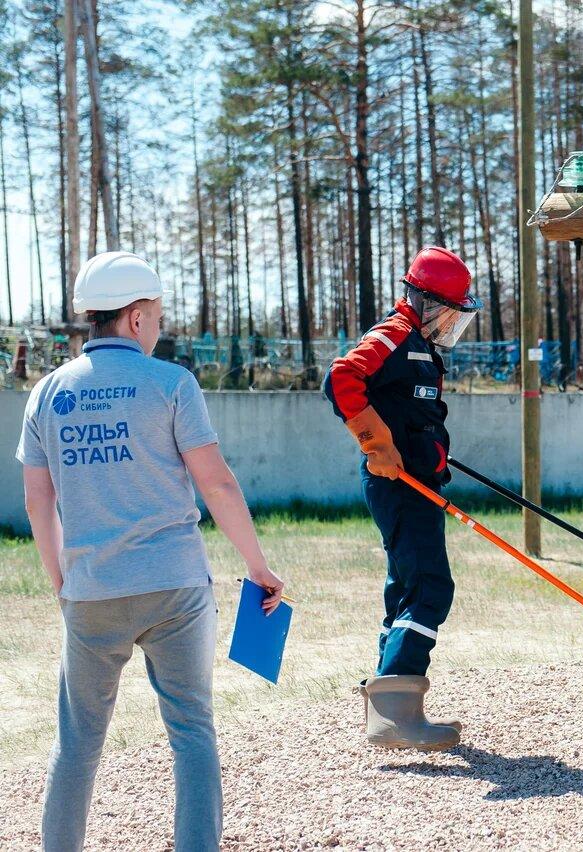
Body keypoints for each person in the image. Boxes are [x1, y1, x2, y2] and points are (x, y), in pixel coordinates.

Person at [16, 251, 285, 852]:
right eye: (158, 314)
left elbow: (38, 501)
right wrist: (257, 567)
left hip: (91, 592)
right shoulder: (171, 383)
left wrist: (62, 579)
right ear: (136, 318)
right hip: (175, 590)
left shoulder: (48, 393)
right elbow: (217, 483)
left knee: (77, 743)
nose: (159, 326)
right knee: (192, 731)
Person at [324, 246, 480, 751]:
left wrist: (429, 453)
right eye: (452, 313)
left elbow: (411, 415)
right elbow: (341, 379)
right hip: (399, 485)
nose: (452, 325)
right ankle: (396, 714)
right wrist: (377, 444)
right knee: (430, 587)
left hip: (418, 485)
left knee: (408, 586)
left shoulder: (417, 345)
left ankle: (386, 699)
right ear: (430, 302)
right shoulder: (392, 336)